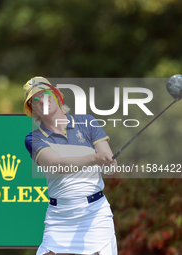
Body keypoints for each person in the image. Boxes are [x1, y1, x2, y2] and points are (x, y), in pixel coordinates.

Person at [24, 77, 118, 255]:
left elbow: (108, 163)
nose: (42, 100)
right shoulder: (33, 139)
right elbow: (58, 165)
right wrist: (95, 158)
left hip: (95, 213)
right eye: (35, 100)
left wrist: (108, 162)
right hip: (60, 216)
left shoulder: (87, 122)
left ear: (57, 96)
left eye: (46, 94)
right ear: (33, 109)